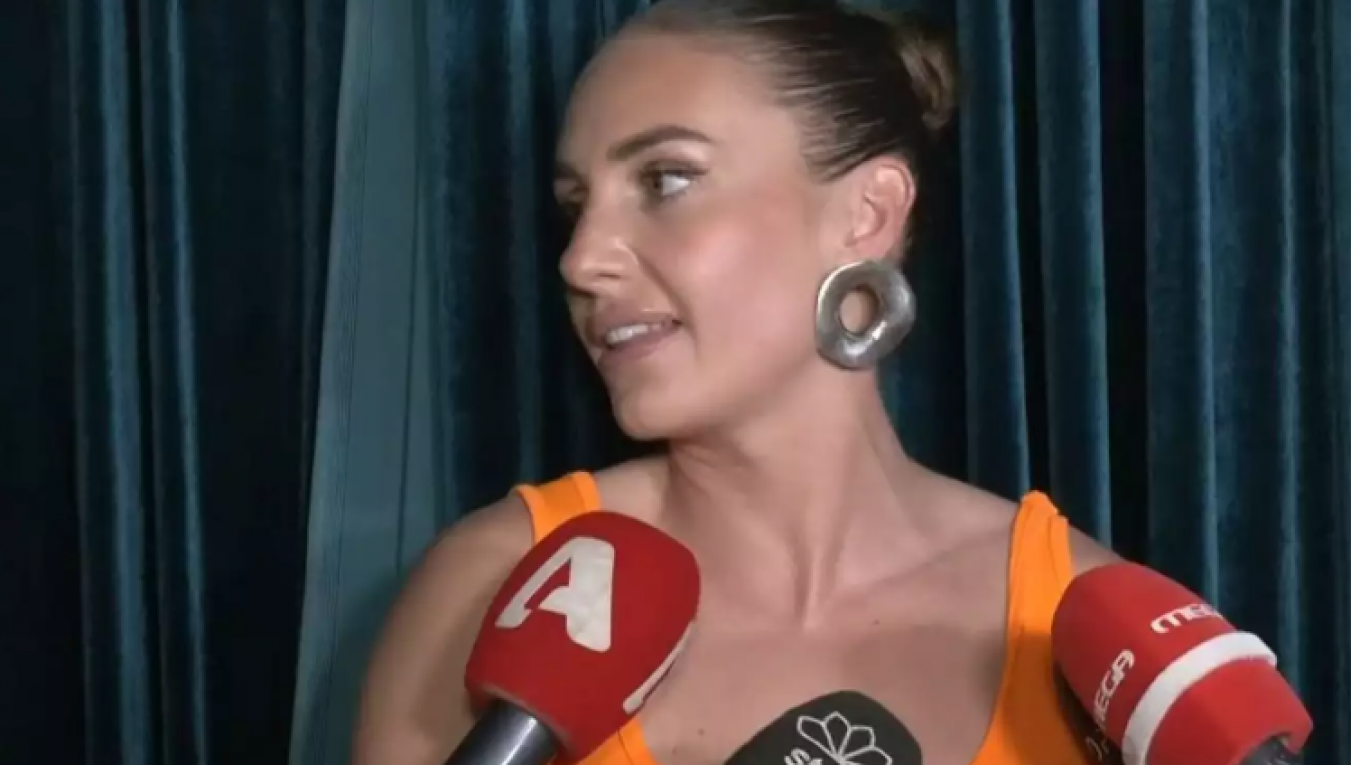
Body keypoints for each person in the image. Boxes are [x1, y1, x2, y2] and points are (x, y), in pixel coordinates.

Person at [351, 2, 1121, 764]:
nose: (581, 260)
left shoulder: (1096, 627)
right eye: (576, 206)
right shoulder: (494, 583)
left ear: (867, 213)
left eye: (666, 180)